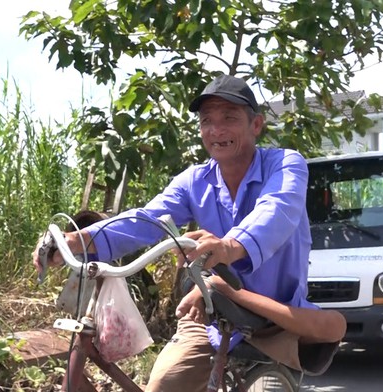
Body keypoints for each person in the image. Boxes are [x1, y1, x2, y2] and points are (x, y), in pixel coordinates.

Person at [33, 73, 346, 391]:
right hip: (212, 313)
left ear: (256, 125)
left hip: (276, 318)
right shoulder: (194, 181)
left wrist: (230, 246)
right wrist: (79, 240)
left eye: (229, 118)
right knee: (164, 385)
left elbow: (278, 210)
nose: (216, 130)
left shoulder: (284, 164)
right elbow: (146, 220)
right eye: (207, 120)